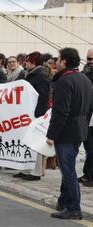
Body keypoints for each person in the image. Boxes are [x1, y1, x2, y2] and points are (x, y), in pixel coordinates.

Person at [47, 47, 92, 220]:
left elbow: (60, 112)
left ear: (65, 61)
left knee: (68, 171)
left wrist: (52, 135)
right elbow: (89, 109)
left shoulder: (64, 81)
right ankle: (64, 201)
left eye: (58, 60)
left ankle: (74, 208)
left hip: (66, 132)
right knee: (68, 168)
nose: (56, 63)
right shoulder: (84, 79)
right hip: (79, 130)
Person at [13, 52, 50, 181]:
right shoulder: (29, 74)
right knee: (27, 141)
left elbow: (43, 96)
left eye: (28, 61)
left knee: (35, 142)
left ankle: (36, 171)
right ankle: (25, 168)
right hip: (28, 112)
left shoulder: (40, 75)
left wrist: (38, 114)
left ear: (33, 62)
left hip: (35, 114)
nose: (25, 63)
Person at [80, 48, 93, 187]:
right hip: (86, 116)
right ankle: (87, 174)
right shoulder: (84, 74)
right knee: (89, 147)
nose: (91, 62)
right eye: (89, 59)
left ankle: (90, 176)